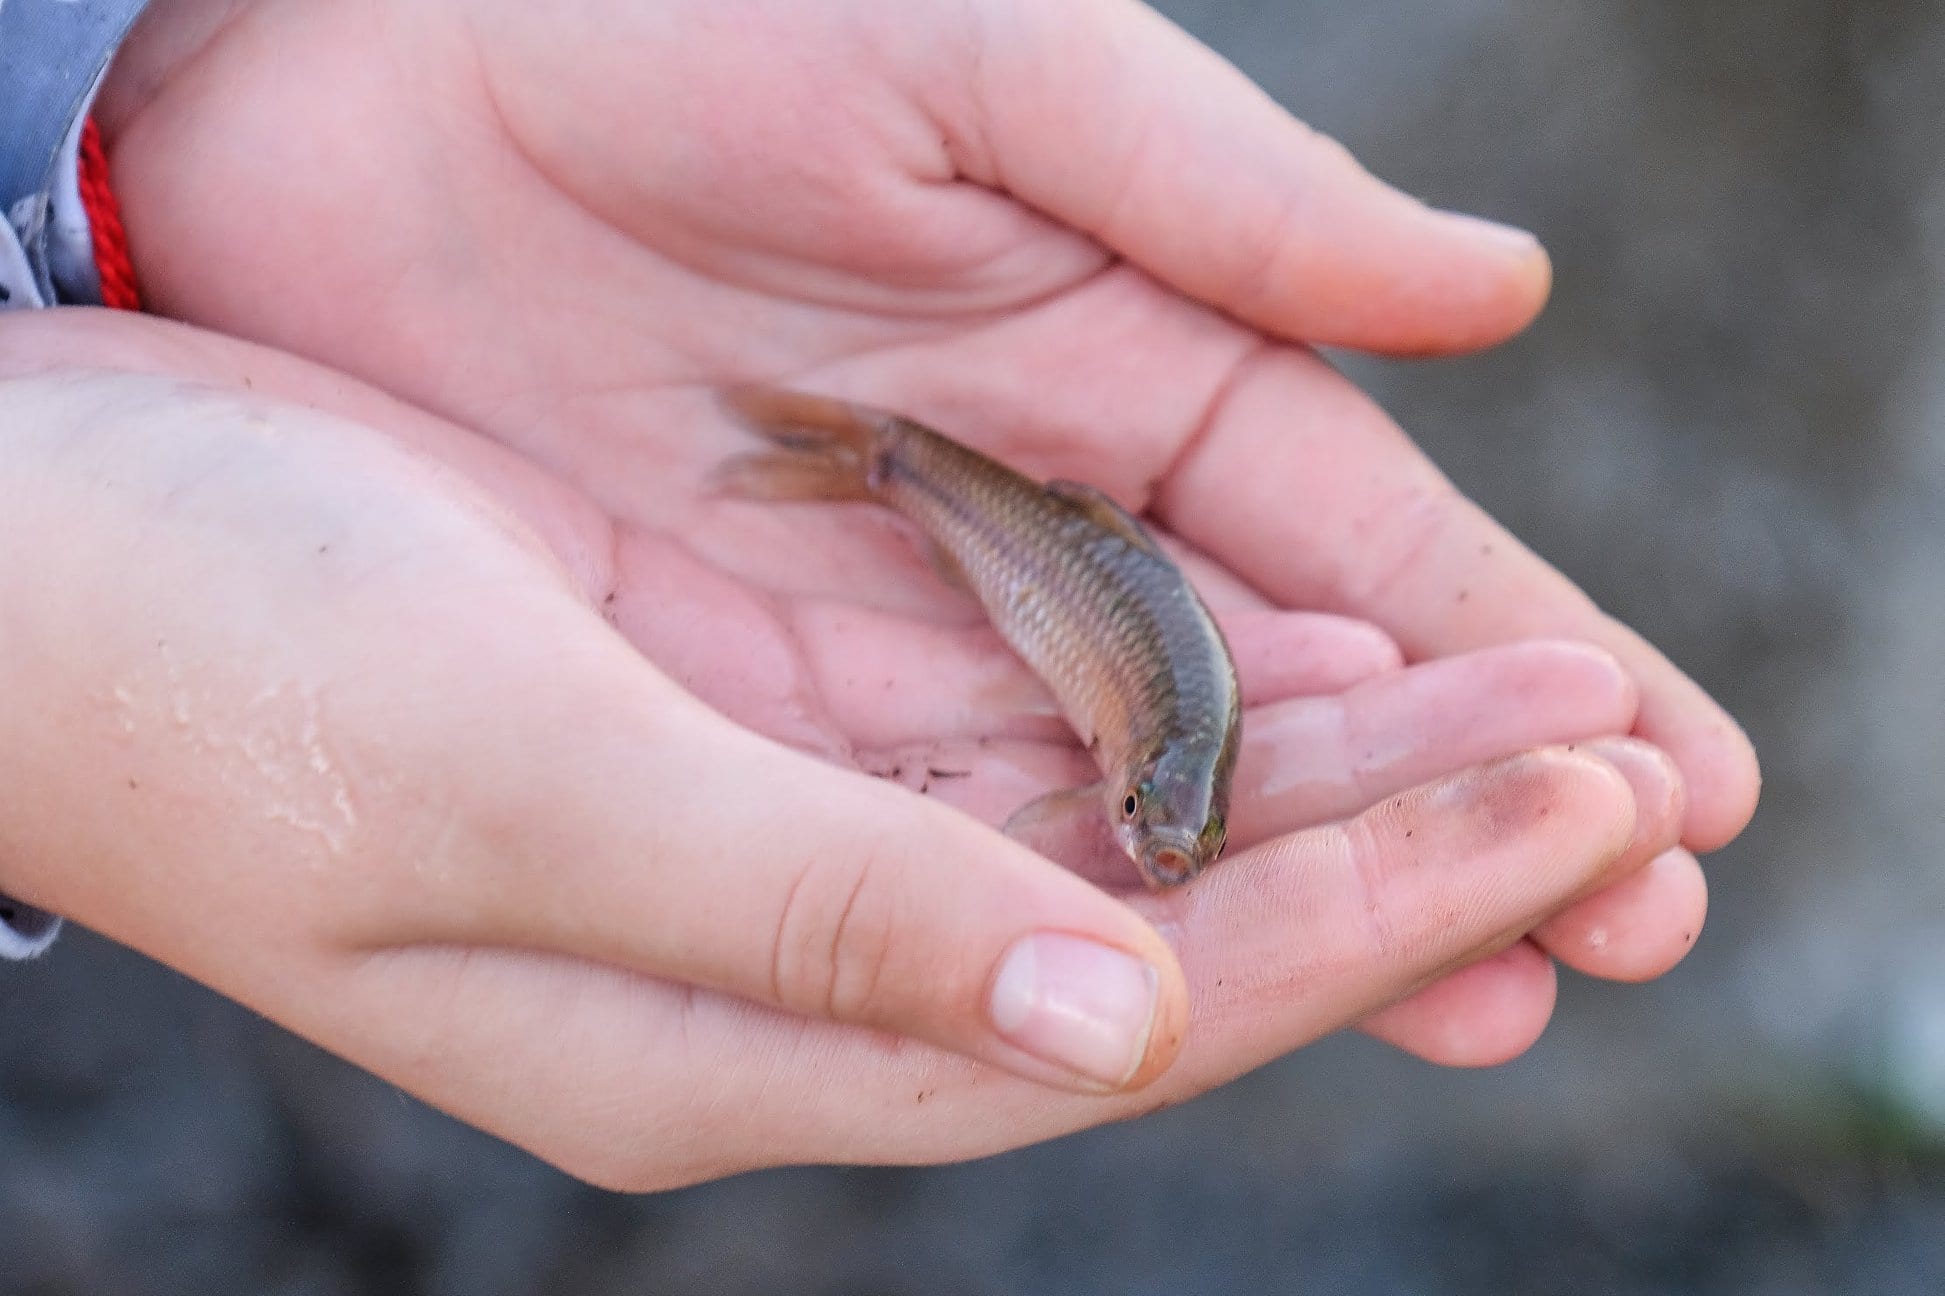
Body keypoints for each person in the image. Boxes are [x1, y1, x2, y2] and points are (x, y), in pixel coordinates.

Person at [0, 0, 1756, 1191]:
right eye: (1155, 815)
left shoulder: (1162, 732)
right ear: (1131, 766)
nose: (1156, 840)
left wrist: (189, 44)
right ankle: (882, 454)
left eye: (1164, 821)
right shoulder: (1143, 709)